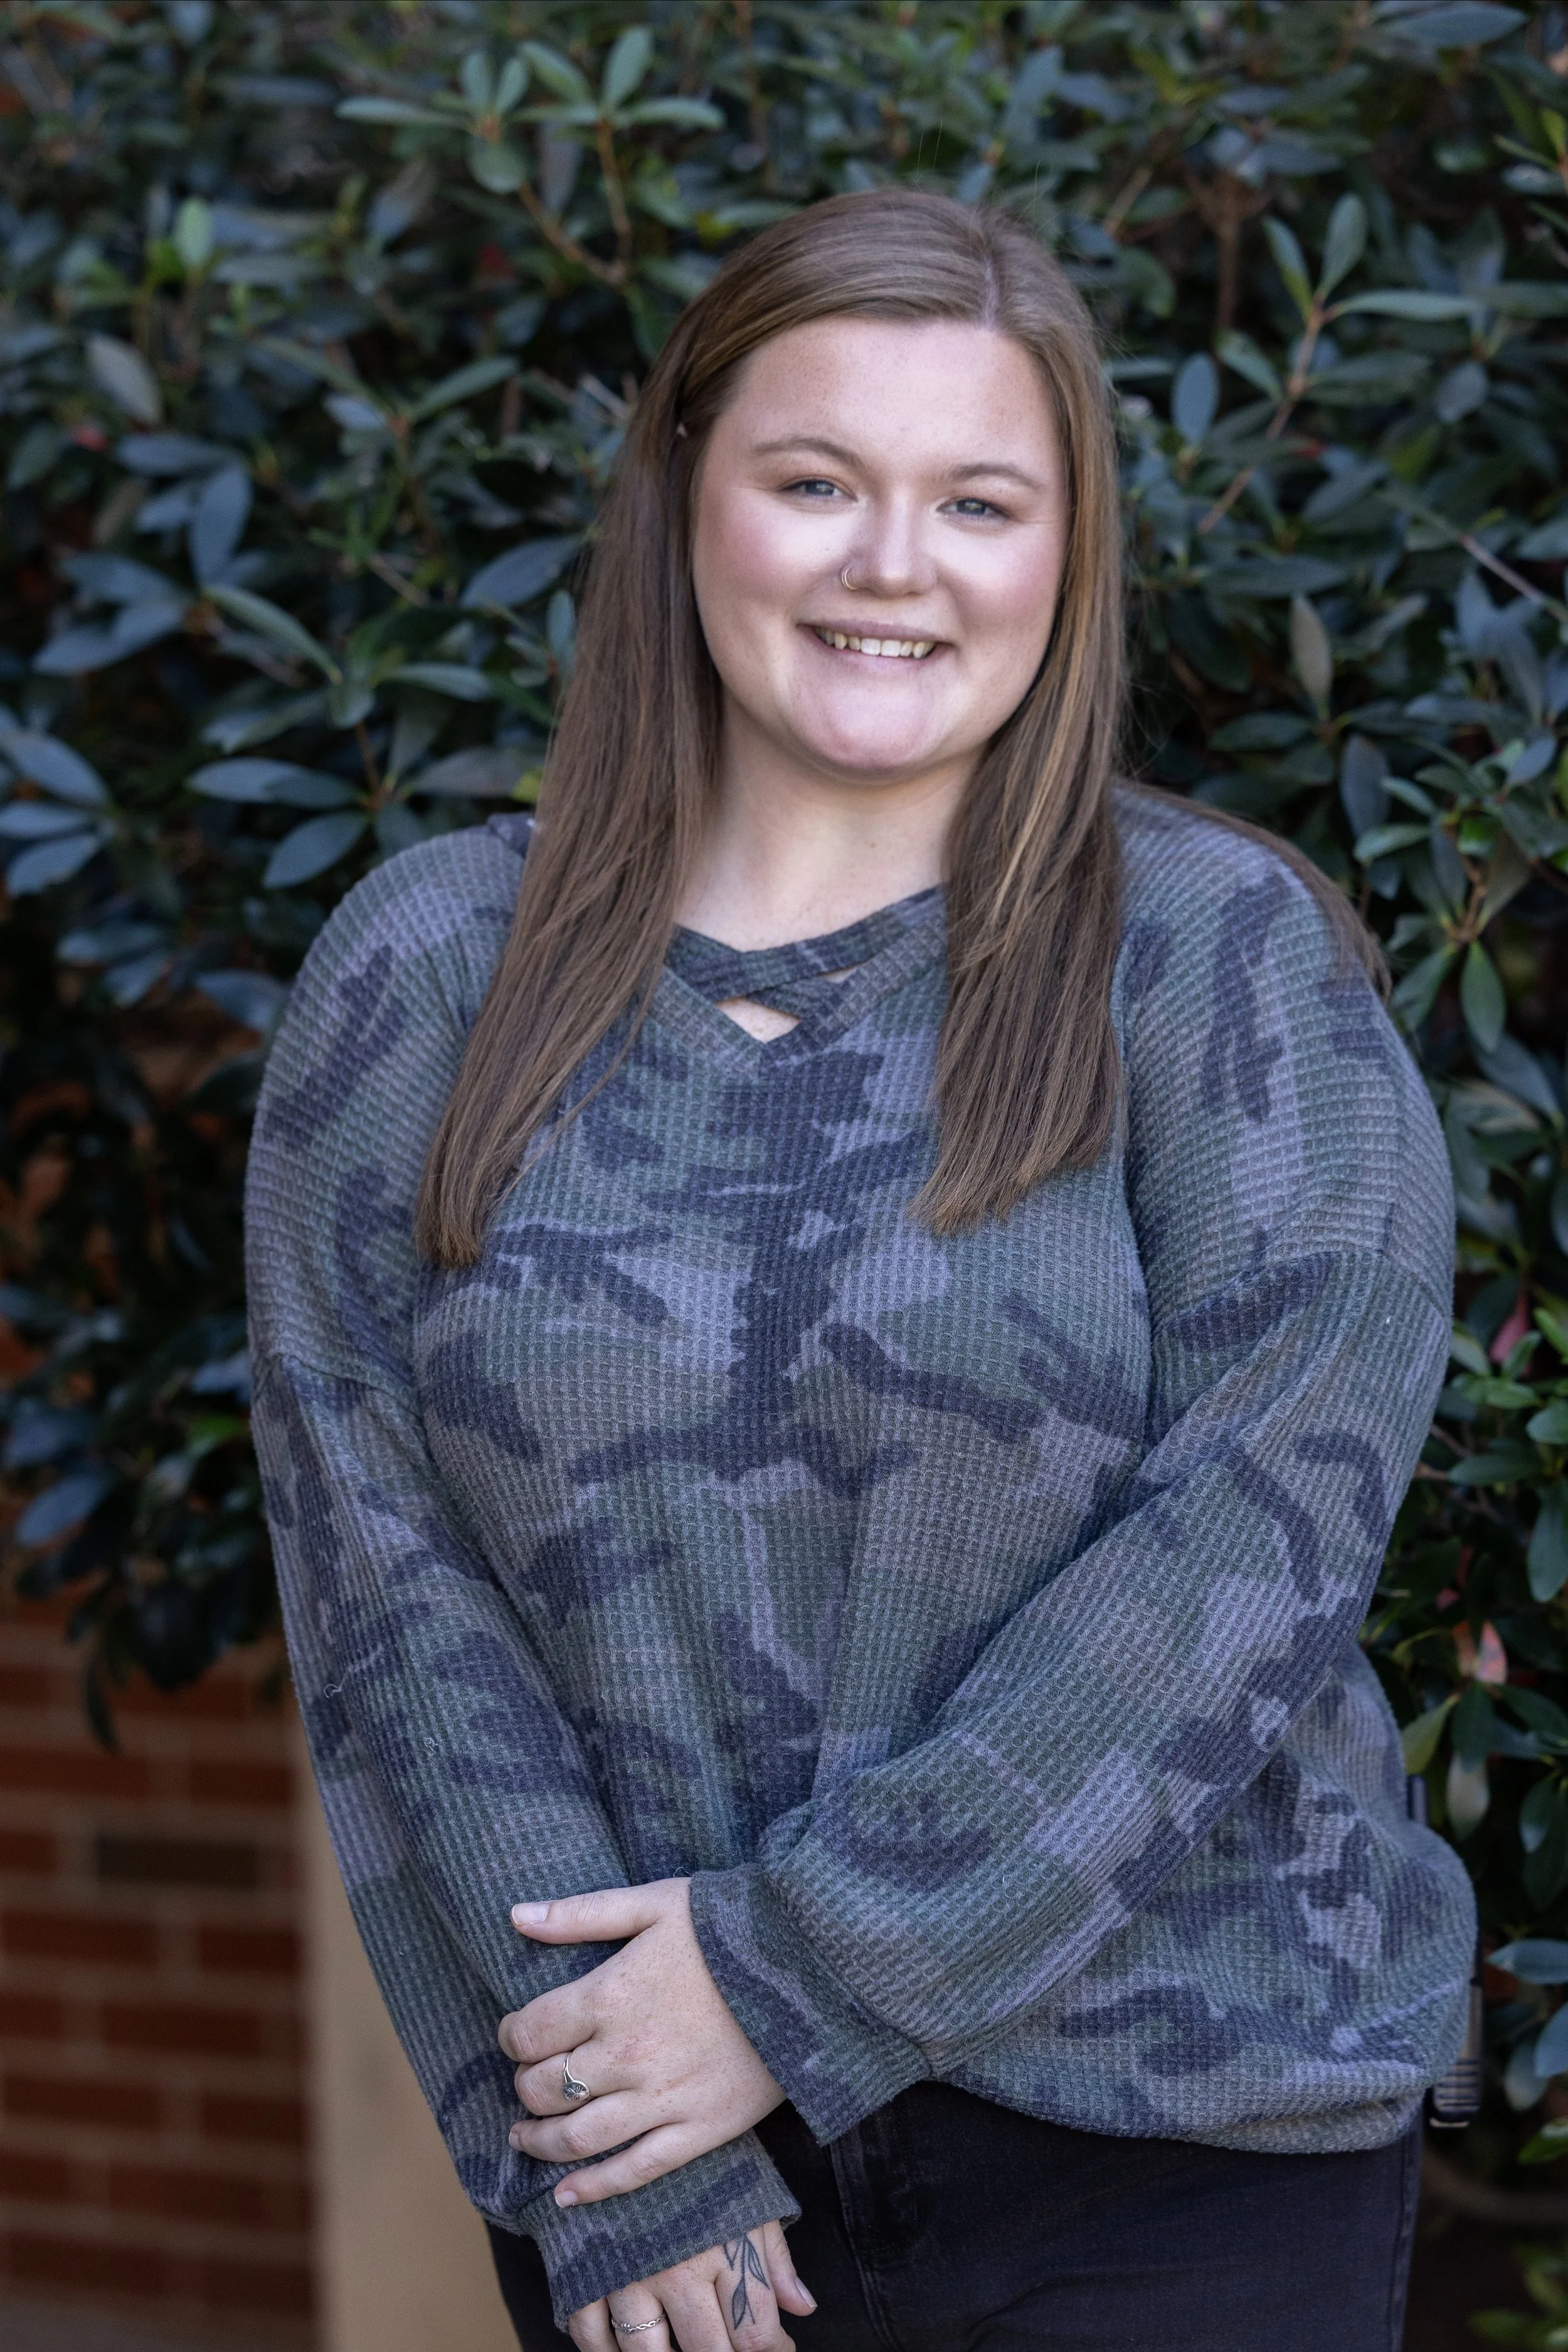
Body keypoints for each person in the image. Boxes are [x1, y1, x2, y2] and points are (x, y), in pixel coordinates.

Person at [246, 189, 1477, 2352]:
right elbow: (384, 1585)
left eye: (977, 499)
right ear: (684, 502)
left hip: (1177, 2140)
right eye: (813, 480)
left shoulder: (1214, 960)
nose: (891, 563)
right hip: (671, 2152)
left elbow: (1260, 1532)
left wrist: (790, 1974)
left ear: (1063, 555)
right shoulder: (435, 975)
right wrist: (618, 2149)